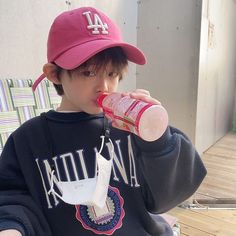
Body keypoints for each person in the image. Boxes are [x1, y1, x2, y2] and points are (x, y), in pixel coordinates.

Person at [0, 6, 206, 236]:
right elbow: (11, 196)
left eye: (112, 74)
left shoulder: (128, 127)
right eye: (88, 73)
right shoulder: (28, 139)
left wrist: (158, 141)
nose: (104, 87)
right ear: (55, 74)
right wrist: (12, 227)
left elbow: (167, 196)